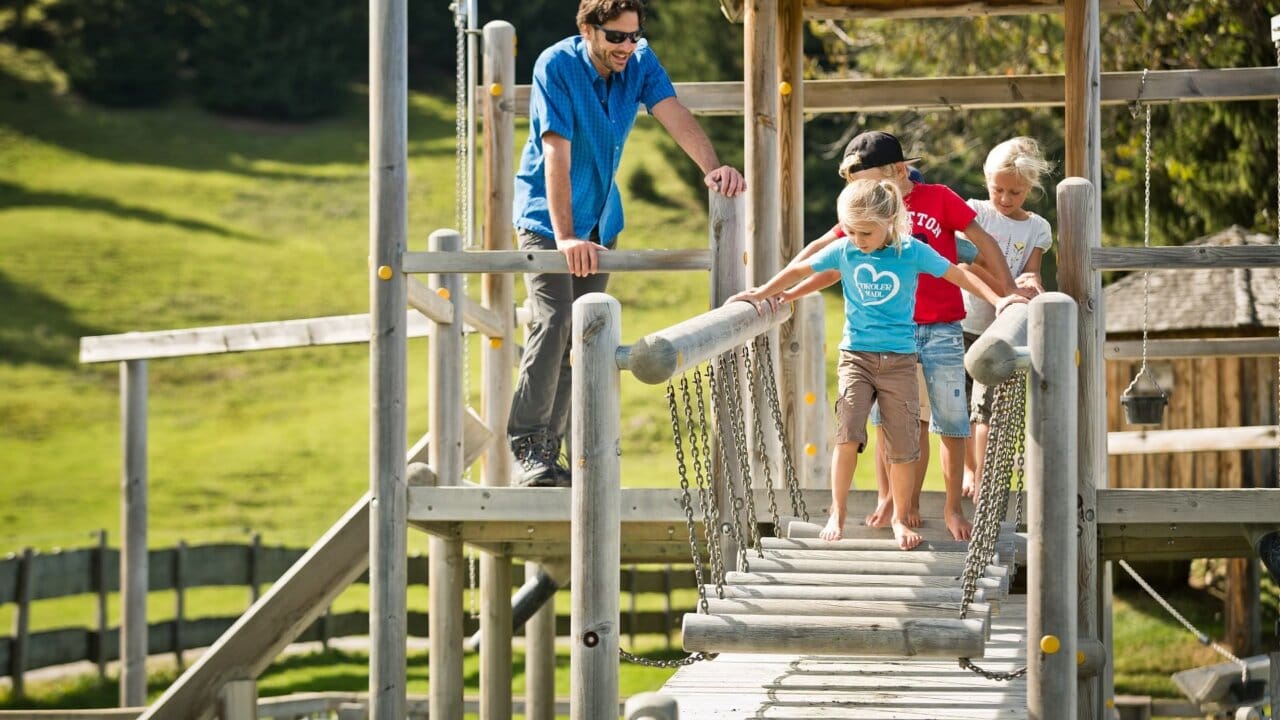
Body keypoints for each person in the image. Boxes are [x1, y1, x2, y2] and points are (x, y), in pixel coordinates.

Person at [509, 0, 746, 487]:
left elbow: (672, 111)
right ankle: (530, 447)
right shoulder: (557, 65)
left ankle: (565, 460)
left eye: (634, 35)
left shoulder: (639, 61)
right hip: (548, 218)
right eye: (616, 37)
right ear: (589, 30)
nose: (627, 46)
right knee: (554, 320)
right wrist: (566, 235)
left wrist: (712, 167)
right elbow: (555, 149)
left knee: (585, 336)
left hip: (599, 221)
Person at [732, 179, 1025, 549]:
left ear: (890, 220)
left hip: (900, 361)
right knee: (848, 434)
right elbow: (804, 270)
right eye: (851, 230)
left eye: (865, 231)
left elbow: (958, 273)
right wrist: (766, 292)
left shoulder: (911, 251)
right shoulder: (845, 249)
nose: (857, 238)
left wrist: (1000, 299)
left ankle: (902, 519)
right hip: (856, 356)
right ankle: (837, 512)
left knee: (902, 445)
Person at [959, 137, 1054, 500]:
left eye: (1015, 192)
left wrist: (1031, 284)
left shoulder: (1037, 228)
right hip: (963, 322)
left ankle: (983, 478)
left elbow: (1032, 274)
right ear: (987, 181)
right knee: (960, 405)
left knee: (986, 409)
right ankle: (969, 469)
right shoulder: (975, 213)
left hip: (998, 334)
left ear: (1029, 188)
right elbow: (968, 262)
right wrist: (1008, 288)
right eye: (998, 189)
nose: (1005, 198)